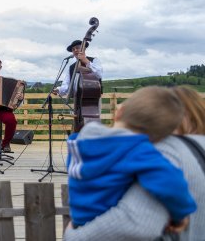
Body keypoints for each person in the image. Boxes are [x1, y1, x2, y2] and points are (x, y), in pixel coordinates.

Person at [64, 85, 205, 241]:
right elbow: (168, 182)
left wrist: (72, 236)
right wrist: (183, 212)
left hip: (80, 216)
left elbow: (138, 224)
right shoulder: (141, 151)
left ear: (119, 112)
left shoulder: (82, 139)